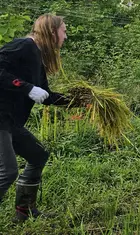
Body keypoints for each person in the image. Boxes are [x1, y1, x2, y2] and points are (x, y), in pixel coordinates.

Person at [0, 14, 78, 222]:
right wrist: (25, 87)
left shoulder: (38, 57)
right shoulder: (24, 46)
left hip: (10, 121)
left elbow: (45, 95)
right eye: (64, 30)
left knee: (38, 156)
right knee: (8, 171)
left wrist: (78, 101)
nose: (66, 36)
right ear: (52, 32)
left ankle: (24, 212)